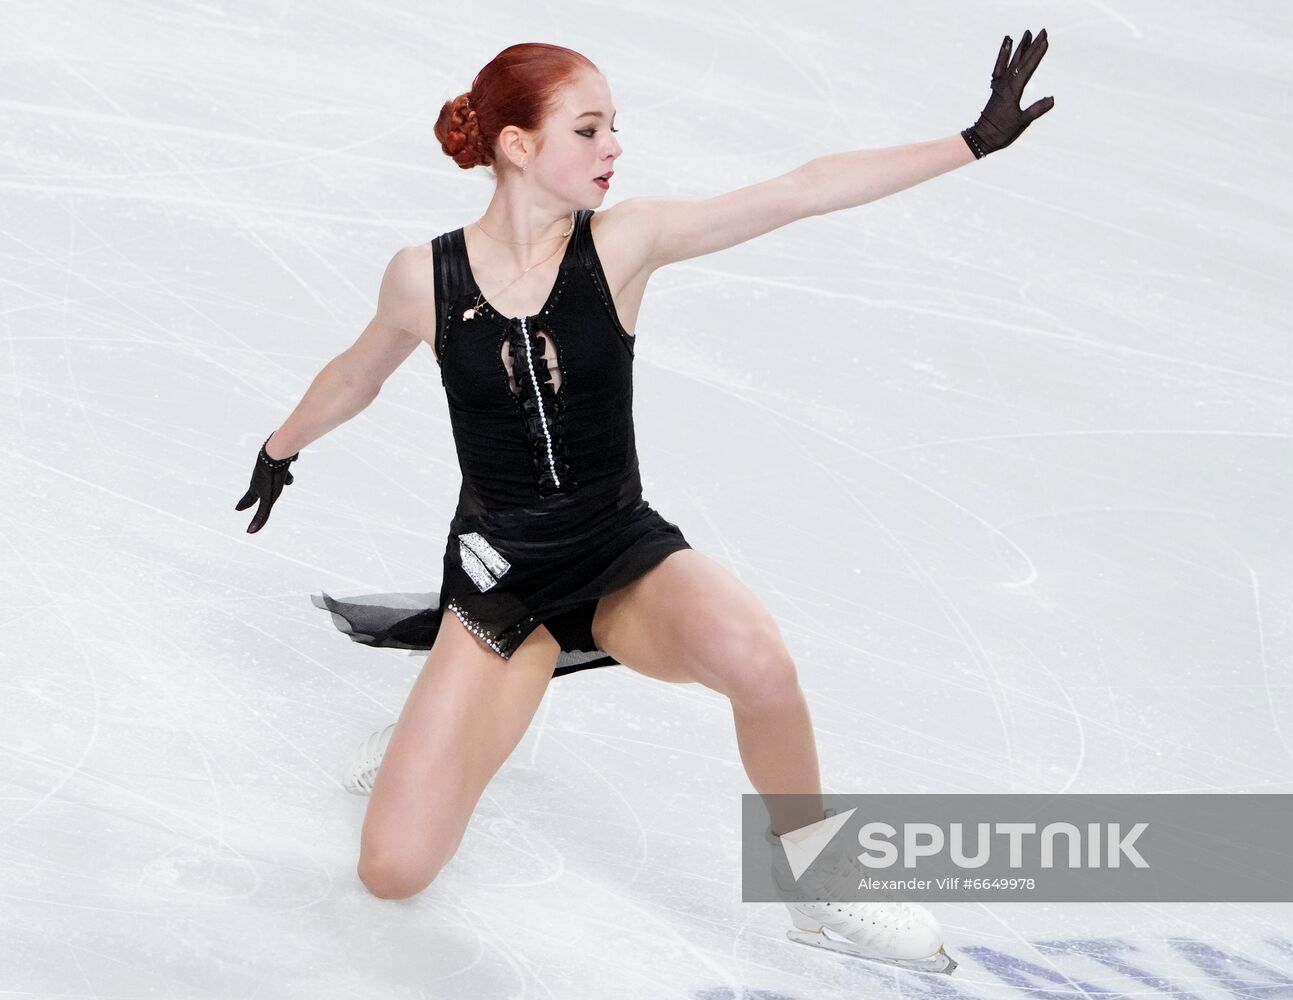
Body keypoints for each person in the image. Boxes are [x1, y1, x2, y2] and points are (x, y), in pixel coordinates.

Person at [235, 35, 1052, 973]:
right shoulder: (424, 278)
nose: (614, 146)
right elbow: (356, 373)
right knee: (393, 871)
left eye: (614, 126)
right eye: (588, 129)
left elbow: (800, 189)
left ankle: (819, 889)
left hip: (621, 556)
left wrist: (971, 142)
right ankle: (436, 718)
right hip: (501, 591)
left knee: (760, 662)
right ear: (515, 145)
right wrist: (279, 447)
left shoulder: (625, 244)